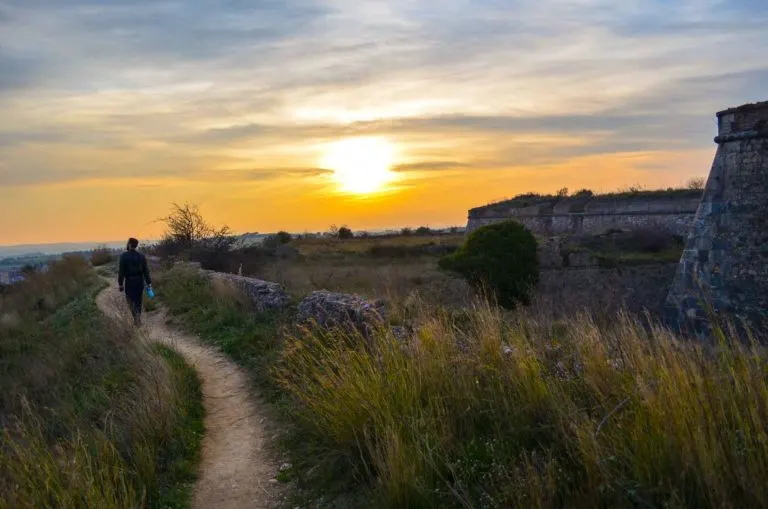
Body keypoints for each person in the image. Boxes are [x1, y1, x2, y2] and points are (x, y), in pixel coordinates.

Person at [118, 238, 152, 325]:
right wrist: (149, 283)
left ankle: (135, 317)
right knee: (138, 300)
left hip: (130, 281)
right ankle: (138, 316)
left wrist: (120, 284)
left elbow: (121, 271)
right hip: (140, 281)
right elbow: (146, 271)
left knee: (130, 300)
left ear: (129, 245)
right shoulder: (141, 256)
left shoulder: (124, 256)